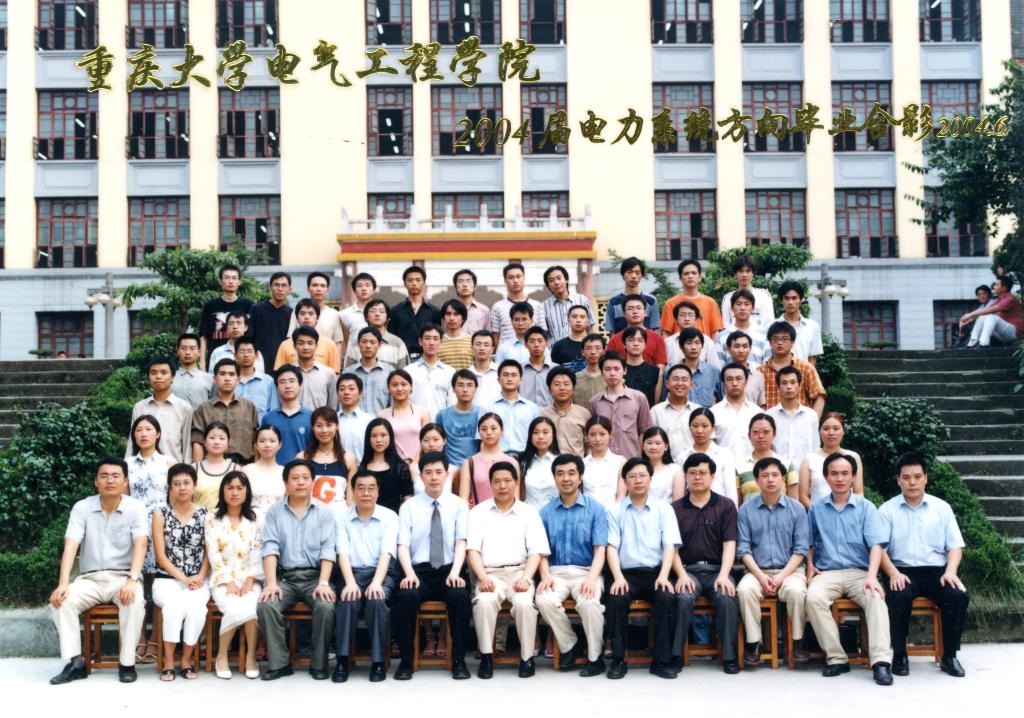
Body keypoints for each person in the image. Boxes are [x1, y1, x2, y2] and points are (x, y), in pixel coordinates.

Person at [48, 458, 147, 685]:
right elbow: (71, 545)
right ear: (96, 481)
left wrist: (133, 579)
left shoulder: (136, 508)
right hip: (89, 579)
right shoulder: (82, 507)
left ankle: (127, 663)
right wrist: (63, 583)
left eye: (115, 476)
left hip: (123, 577)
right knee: (61, 601)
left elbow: (141, 544)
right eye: (104, 476)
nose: (110, 480)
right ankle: (76, 663)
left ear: (125, 481)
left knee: (134, 601)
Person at [805, 453, 894, 685]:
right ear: (826, 477)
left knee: (875, 597)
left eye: (845, 473)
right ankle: (837, 658)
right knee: (813, 598)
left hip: (860, 572)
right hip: (827, 572)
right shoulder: (816, 508)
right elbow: (809, 542)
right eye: (834, 474)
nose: (840, 478)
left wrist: (872, 577)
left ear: (853, 477)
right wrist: (810, 564)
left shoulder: (866, 508)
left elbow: (876, 545)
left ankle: (881, 662)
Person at [879, 453, 969, 678]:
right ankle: (900, 654)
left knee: (957, 596)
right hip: (902, 571)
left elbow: (955, 546)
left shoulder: (942, 508)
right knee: (898, 596)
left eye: (917, 477)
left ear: (926, 478)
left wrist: (950, 571)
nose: (912, 482)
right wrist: (893, 573)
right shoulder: (887, 510)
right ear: (898, 480)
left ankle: (949, 656)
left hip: (937, 571)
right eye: (906, 477)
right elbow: (878, 548)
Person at [466, 461, 551, 678]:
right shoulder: (478, 512)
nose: (502, 485)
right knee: (484, 602)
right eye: (497, 481)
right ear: (490, 484)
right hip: (490, 574)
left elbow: (536, 551)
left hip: (520, 573)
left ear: (516, 482)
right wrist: (482, 577)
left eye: (507, 480)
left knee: (524, 604)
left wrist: (527, 577)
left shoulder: (528, 512)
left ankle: (527, 658)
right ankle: (487, 656)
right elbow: (473, 550)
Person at [392, 452, 473, 680]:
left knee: (459, 596)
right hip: (419, 571)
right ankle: (407, 662)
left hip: (449, 569)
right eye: (428, 472)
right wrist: (409, 574)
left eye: (439, 472)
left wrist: (456, 573)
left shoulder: (458, 505)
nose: (434, 477)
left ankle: (458, 661)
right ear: (421, 476)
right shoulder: (409, 507)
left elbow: (461, 542)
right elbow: (402, 545)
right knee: (405, 597)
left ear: (447, 475)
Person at [258, 459, 338, 681]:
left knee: (326, 606)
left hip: (315, 578)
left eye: (305, 478)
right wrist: (271, 583)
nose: (301, 482)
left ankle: (319, 663)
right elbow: (270, 547)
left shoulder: (325, 512)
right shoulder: (274, 512)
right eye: (295, 478)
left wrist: (323, 583)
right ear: (286, 483)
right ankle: (280, 664)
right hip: (286, 578)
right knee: (266, 605)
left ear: (313, 481)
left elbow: (328, 550)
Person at [605, 457, 682, 679]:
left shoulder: (664, 509)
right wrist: (618, 577)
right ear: (625, 481)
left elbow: (669, 545)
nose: (637, 480)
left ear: (650, 478)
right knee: (616, 597)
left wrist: (664, 576)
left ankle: (661, 660)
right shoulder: (615, 510)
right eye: (632, 476)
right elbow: (611, 547)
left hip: (655, 572)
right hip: (626, 574)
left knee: (666, 596)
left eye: (642, 476)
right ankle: (618, 660)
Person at [536, 454, 609, 676]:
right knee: (543, 599)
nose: (566, 478)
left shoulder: (596, 509)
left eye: (571, 473)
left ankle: (595, 658)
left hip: (586, 571)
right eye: (560, 474)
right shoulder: (545, 512)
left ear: (580, 477)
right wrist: (545, 576)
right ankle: (571, 645)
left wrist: (591, 579)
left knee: (589, 602)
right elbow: (541, 552)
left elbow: (600, 550)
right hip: (555, 573)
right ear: (554, 478)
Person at [670, 452, 740, 674]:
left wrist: (724, 575)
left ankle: (729, 657)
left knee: (726, 595)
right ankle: (676, 655)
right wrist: (681, 575)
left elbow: (730, 543)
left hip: (717, 570)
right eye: (692, 473)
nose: (697, 477)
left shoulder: (726, 506)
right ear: (686, 476)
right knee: (682, 596)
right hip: (687, 570)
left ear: (712, 476)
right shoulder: (675, 508)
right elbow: (671, 548)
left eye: (702, 473)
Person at [735, 457, 809, 666]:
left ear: (783, 479)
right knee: (745, 590)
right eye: (765, 476)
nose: (770, 480)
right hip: (757, 571)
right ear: (757, 480)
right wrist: (761, 576)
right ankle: (754, 642)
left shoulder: (797, 509)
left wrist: (781, 577)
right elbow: (743, 549)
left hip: (790, 571)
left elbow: (801, 549)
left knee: (796, 591)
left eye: (775, 475)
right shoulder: (745, 510)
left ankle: (798, 641)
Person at [333, 470, 399, 683]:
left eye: (371, 488)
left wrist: (377, 583)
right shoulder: (342, 518)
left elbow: (386, 553)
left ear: (378, 492)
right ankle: (342, 660)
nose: (366, 493)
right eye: (360, 488)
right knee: (348, 599)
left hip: (381, 572)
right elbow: (342, 552)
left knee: (377, 600)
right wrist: (350, 583)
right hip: (351, 573)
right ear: (352, 491)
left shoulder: (389, 517)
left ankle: (378, 661)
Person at [152, 464, 210, 681]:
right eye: (176, 484)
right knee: (174, 607)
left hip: (198, 578)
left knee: (197, 609)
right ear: (170, 487)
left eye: (186, 483)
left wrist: (200, 576)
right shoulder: (160, 514)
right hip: (166, 579)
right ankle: (168, 661)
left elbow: (209, 552)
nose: (182, 488)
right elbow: (160, 556)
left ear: (194, 486)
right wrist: (184, 579)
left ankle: (185, 660)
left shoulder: (206, 515)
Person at [206, 471, 261, 679]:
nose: (235, 493)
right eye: (230, 488)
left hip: (250, 578)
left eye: (239, 488)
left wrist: (250, 579)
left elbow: (259, 550)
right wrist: (228, 581)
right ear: (223, 491)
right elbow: (213, 552)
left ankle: (250, 657)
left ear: (247, 491)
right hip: (222, 579)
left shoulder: (256, 518)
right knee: (233, 605)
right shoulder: (212, 518)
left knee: (251, 604)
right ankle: (221, 656)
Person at [190, 358, 259, 463]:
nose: (227, 378)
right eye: (222, 374)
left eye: (231, 374)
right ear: (215, 378)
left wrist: (255, 467)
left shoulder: (249, 407)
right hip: (212, 465)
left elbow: (255, 440)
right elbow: (197, 441)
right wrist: (198, 468)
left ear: (238, 379)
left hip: (243, 465)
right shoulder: (203, 409)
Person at [588, 351, 654, 459]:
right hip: (603, 461)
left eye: (616, 369)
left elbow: (645, 430)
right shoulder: (594, 402)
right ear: (601, 372)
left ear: (625, 370)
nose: (612, 373)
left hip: (631, 461)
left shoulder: (639, 398)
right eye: (607, 369)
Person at [128, 358, 193, 463]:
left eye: (163, 372)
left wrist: (186, 468)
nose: (158, 376)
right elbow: (132, 442)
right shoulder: (139, 407)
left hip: (173, 469)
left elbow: (187, 445)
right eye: (153, 373)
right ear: (148, 377)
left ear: (173, 377)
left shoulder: (184, 408)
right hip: (143, 468)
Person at [798, 412, 865, 509]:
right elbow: (803, 496)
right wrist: (819, 513)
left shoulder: (853, 457)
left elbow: (858, 492)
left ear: (843, 431)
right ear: (819, 431)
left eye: (836, 428)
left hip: (848, 514)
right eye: (826, 428)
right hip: (818, 515)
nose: (831, 433)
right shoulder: (809, 459)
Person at [761, 322, 827, 417]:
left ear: (792, 342)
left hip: (800, 422)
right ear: (770, 343)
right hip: (771, 423)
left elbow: (819, 396)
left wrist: (813, 421)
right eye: (775, 339)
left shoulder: (806, 368)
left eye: (784, 339)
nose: (780, 342)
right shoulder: (761, 371)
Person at [680, 408, 738, 506]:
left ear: (713, 428)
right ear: (689, 427)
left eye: (705, 426)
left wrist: (732, 511)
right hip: (692, 509)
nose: (699, 430)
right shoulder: (683, 457)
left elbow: (730, 489)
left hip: (720, 509)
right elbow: (682, 491)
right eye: (695, 426)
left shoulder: (724, 454)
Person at [199, 264, 253, 368]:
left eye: (234, 278)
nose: (230, 281)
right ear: (220, 281)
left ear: (239, 281)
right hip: (216, 358)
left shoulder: (248, 306)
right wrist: (202, 362)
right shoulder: (210, 306)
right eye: (227, 278)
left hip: (242, 359)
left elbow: (252, 335)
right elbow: (203, 336)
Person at [302, 407, 358, 508]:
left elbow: (350, 500)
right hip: (308, 514)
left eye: (329, 425)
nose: (324, 430)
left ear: (337, 426)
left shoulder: (348, 459)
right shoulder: (303, 457)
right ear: (312, 428)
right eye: (319, 426)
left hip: (339, 515)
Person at [735, 413, 799, 502]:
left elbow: (794, 503)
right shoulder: (739, 466)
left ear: (774, 435)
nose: (761, 436)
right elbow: (737, 503)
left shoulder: (786, 464)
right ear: (749, 436)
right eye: (756, 432)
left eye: (766, 432)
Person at [459, 413, 518, 505]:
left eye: (493, 428)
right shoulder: (470, 463)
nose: (489, 432)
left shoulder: (512, 462)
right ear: (479, 432)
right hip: (479, 513)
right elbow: (463, 500)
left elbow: (516, 499)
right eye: (484, 429)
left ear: (502, 431)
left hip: (507, 513)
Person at [359, 418, 416, 513]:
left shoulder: (401, 468)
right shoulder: (361, 469)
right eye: (374, 436)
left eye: (383, 435)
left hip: (394, 519)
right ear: (368, 439)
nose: (378, 440)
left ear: (390, 437)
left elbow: (407, 499)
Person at [767, 366, 819, 468]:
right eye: (784, 383)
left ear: (799, 386)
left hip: (804, 472)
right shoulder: (769, 416)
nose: (789, 387)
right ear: (778, 387)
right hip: (778, 472)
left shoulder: (811, 415)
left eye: (793, 382)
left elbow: (816, 448)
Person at [261, 365, 314, 464]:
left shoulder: (312, 417)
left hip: (302, 470)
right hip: (274, 471)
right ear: (276, 387)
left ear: (300, 385)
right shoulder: (268, 418)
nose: (287, 386)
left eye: (292, 381)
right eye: (282, 382)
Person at [660, 258, 724, 339]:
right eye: (686, 274)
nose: (690, 276)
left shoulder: (711, 303)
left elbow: (715, 333)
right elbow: (666, 333)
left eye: (694, 273)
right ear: (680, 278)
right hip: (678, 346)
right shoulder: (670, 304)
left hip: (705, 346)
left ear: (700, 277)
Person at [378, 369, 432, 464]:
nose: (399, 389)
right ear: (388, 388)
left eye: (404, 384)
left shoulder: (423, 413)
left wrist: (414, 464)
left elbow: (427, 441)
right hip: (393, 465)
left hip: (419, 465)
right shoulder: (382, 415)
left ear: (411, 387)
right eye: (394, 385)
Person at [286, 271, 344, 358]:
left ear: (327, 289)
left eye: (323, 286)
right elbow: (290, 340)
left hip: (326, 362)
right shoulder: (298, 312)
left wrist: (337, 365)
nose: (319, 289)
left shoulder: (334, 314)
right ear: (308, 288)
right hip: (301, 361)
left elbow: (337, 343)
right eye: (315, 285)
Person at [389, 265, 442, 360]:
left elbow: (438, 336)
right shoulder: (395, 311)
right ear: (404, 284)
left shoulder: (434, 311)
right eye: (410, 280)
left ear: (424, 283)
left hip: (427, 358)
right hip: (402, 358)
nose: (414, 283)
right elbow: (392, 338)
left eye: (418, 280)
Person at [489, 359, 541, 455]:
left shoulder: (532, 408)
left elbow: (538, 436)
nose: (509, 379)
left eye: (514, 375)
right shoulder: (488, 408)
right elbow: (482, 439)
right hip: (497, 457)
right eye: (505, 375)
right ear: (498, 380)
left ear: (520, 380)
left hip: (525, 456)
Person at [275, 299, 341, 372]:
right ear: (296, 318)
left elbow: (335, 374)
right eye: (302, 314)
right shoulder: (285, 345)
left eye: (311, 314)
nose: (306, 317)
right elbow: (279, 374)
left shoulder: (329, 345)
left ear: (318, 317)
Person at [652, 364, 701, 460]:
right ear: (667, 384)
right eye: (675, 379)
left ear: (691, 385)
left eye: (684, 379)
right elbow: (651, 441)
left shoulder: (698, 410)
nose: (680, 383)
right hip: (665, 465)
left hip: (694, 465)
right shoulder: (656, 411)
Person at [344, 299, 410, 371]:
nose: (377, 314)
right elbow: (348, 372)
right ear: (366, 317)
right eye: (373, 311)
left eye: (381, 311)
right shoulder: (356, 343)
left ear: (387, 318)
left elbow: (404, 373)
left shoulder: (397, 343)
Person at [710, 363, 760, 457]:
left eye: (739, 378)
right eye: (729, 379)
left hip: (751, 465)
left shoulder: (757, 412)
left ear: (746, 381)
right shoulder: (713, 412)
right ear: (723, 383)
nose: (734, 383)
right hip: (722, 464)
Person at [435, 369, 482, 469]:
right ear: (453, 389)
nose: (465, 390)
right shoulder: (442, 415)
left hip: (475, 468)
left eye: (469, 385)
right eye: (460, 385)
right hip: (449, 469)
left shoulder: (482, 414)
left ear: (476, 389)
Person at [490, 262, 546, 345]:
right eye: (511, 277)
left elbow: (543, 334)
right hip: (506, 351)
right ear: (505, 280)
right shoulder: (497, 307)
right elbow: (495, 337)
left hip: (530, 351)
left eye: (518, 277)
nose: (515, 281)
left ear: (524, 278)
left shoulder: (537, 305)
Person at [607, 296, 668, 371]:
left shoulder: (657, 339)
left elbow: (660, 366)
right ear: (624, 314)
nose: (635, 312)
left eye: (639, 308)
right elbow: (610, 365)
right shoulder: (614, 340)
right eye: (630, 308)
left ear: (645, 312)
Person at [540, 367, 591, 457]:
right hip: (550, 463)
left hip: (576, 464)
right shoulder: (542, 414)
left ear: (573, 388)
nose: (562, 388)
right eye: (557, 384)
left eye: (566, 384)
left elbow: (589, 445)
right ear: (549, 389)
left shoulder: (584, 413)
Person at [961, 274, 1023, 347]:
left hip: (1014, 333)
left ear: (1004, 288)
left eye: (996, 285)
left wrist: (969, 315)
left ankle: (983, 344)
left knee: (991, 317)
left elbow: (992, 309)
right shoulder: (999, 300)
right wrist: (966, 321)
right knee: (982, 317)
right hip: (1003, 334)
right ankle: (972, 343)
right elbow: (984, 311)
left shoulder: (1010, 299)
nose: (994, 287)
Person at [406, 324, 455, 416]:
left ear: (441, 342)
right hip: (415, 422)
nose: (431, 343)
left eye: (435, 339)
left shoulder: (450, 372)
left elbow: (452, 404)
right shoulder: (409, 370)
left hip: (440, 423)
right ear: (420, 341)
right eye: (427, 338)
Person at [721, 255, 776, 332]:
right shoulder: (728, 298)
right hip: (734, 338)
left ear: (753, 273)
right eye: (741, 271)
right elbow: (726, 325)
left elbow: (769, 324)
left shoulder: (764, 296)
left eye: (748, 271)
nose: (744, 275)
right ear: (735, 273)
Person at [581, 416, 625, 511]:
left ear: (610, 435)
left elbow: (621, 496)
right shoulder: (582, 463)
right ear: (587, 436)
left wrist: (615, 515)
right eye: (593, 435)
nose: (597, 439)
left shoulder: (620, 461)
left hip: (612, 514)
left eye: (602, 434)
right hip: (586, 514)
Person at [605, 256, 659, 334]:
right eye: (629, 272)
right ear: (622, 275)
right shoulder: (613, 302)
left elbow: (653, 331)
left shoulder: (651, 301)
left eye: (637, 273)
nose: (633, 276)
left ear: (642, 275)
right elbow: (612, 333)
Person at [249, 271, 293, 365]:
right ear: (270, 287)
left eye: (284, 285)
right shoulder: (256, 309)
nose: (280, 289)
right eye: (276, 285)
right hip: (259, 362)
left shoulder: (292, 314)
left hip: (283, 363)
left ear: (289, 289)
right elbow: (249, 337)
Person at [543, 265, 594, 343]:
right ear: (548, 286)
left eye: (559, 278)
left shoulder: (582, 300)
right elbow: (543, 334)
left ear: (566, 280)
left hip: (580, 348)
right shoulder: (544, 307)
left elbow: (590, 327)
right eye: (551, 280)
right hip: (555, 349)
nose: (556, 282)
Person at [715, 290, 768, 366]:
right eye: (738, 304)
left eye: (747, 304)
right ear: (732, 308)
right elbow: (719, 366)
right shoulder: (722, 336)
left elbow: (767, 363)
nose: (742, 308)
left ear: (753, 308)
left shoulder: (763, 335)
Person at [290, 327, 337, 411]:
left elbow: (333, 406)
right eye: (301, 343)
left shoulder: (328, 373)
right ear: (294, 346)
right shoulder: (288, 373)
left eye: (310, 343)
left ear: (316, 346)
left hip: (320, 419)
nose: (305, 347)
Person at [192, 422, 238, 510]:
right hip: (198, 517)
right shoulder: (193, 469)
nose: (217, 442)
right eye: (212, 438)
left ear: (228, 443)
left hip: (226, 518)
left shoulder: (236, 469)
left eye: (222, 438)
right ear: (204, 442)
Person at [776, 280, 823, 364]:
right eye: (787, 298)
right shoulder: (772, 325)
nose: (790, 302)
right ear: (781, 300)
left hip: (804, 372)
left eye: (794, 298)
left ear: (801, 300)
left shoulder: (812, 326)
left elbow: (812, 359)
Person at [243, 425, 285, 517]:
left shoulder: (285, 472)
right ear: (256, 445)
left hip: (278, 522)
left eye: (272, 441)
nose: (267, 445)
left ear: (280, 444)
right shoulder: (246, 471)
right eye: (262, 441)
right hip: (252, 522)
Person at [519, 416, 561, 507]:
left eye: (545, 432)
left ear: (553, 435)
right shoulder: (522, 461)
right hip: (529, 511)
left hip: (555, 511)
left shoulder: (560, 461)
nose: (540, 437)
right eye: (535, 432)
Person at [208, 311, 266, 375]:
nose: (235, 326)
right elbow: (212, 377)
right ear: (227, 328)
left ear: (246, 327)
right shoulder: (217, 352)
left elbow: (260, 377)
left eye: (239, 323)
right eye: (231, 323)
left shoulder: (255, 353)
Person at [665, 301, 719, 369]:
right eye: (682, 315)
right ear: (676, 318)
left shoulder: (707, 341)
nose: (687, 319)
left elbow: (715, 367)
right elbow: (665, 370)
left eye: (690, 315)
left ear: (696, 319)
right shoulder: (667, 342)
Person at [234, 337, 278, 421]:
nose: (246, 355)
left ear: (256, 355)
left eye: (250, 351)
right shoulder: (229, 381)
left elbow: (273, 410)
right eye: (242, 351)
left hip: (260, 428)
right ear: (235, 356)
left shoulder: (268, 381)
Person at [350, 327, 391, 414]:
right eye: (364, 342)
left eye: (372, 342)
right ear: (358, 344)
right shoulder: (348, 373)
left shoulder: (389, 373)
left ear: (379, 345)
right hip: (355, 421)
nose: (368, 346)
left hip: (381, 421)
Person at [676, 328, 721, 407]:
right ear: (681, 347)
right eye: (689, 343)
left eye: (697, 343)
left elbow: (721, 400)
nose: (693, 347)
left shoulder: (714, 372)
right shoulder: (672, 372)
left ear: (702, 346)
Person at [410, 423, 459, 495]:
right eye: (426, 440)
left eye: (435, 440)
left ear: (444, 441)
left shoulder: (453, 469)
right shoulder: (413, 468)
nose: (431, 444)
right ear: (420, 443)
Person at [721, 331, 767, 407]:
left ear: (750, 349)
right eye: (737, 346)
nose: (741, 350)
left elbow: (762, 405)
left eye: (745, 346)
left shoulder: (758, 376)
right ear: (729, 349)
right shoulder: (723, 375)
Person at [337, 373, 375, 463]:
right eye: (342, 389)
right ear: (337, 393)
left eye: (351, 389)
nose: (346, 392)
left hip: (362, 468)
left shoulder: (370, 421)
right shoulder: (331, 420)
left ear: (360, 393)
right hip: (337, 469)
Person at [641, 426, 684, 502]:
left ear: (666, 446)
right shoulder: (636, 469)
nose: (653, 447)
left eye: (658, 443)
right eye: (649, 443)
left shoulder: (675, 470)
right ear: (643, 446)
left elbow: (678, 503)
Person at [621, 327, 662, 406]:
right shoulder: (618, 371)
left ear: (645, 345)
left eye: (640, 340)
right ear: (624, 345)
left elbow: (656, 403)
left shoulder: (656, 372)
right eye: (631, 340)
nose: (636, 344)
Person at [172, 333, 214, 408]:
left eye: (192, 348)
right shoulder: (170, 378)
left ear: (199, 352)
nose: (187, 352)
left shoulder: (209, 379)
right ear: (177, 351)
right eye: (183, 348)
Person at [339, 271, 377, 352]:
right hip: (354, 357)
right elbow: (347, 341)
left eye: (367, 285)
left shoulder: (382, 313)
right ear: (354, 290)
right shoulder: (344, 314)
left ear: (374, 290)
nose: (364, 289)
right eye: (359, 286)